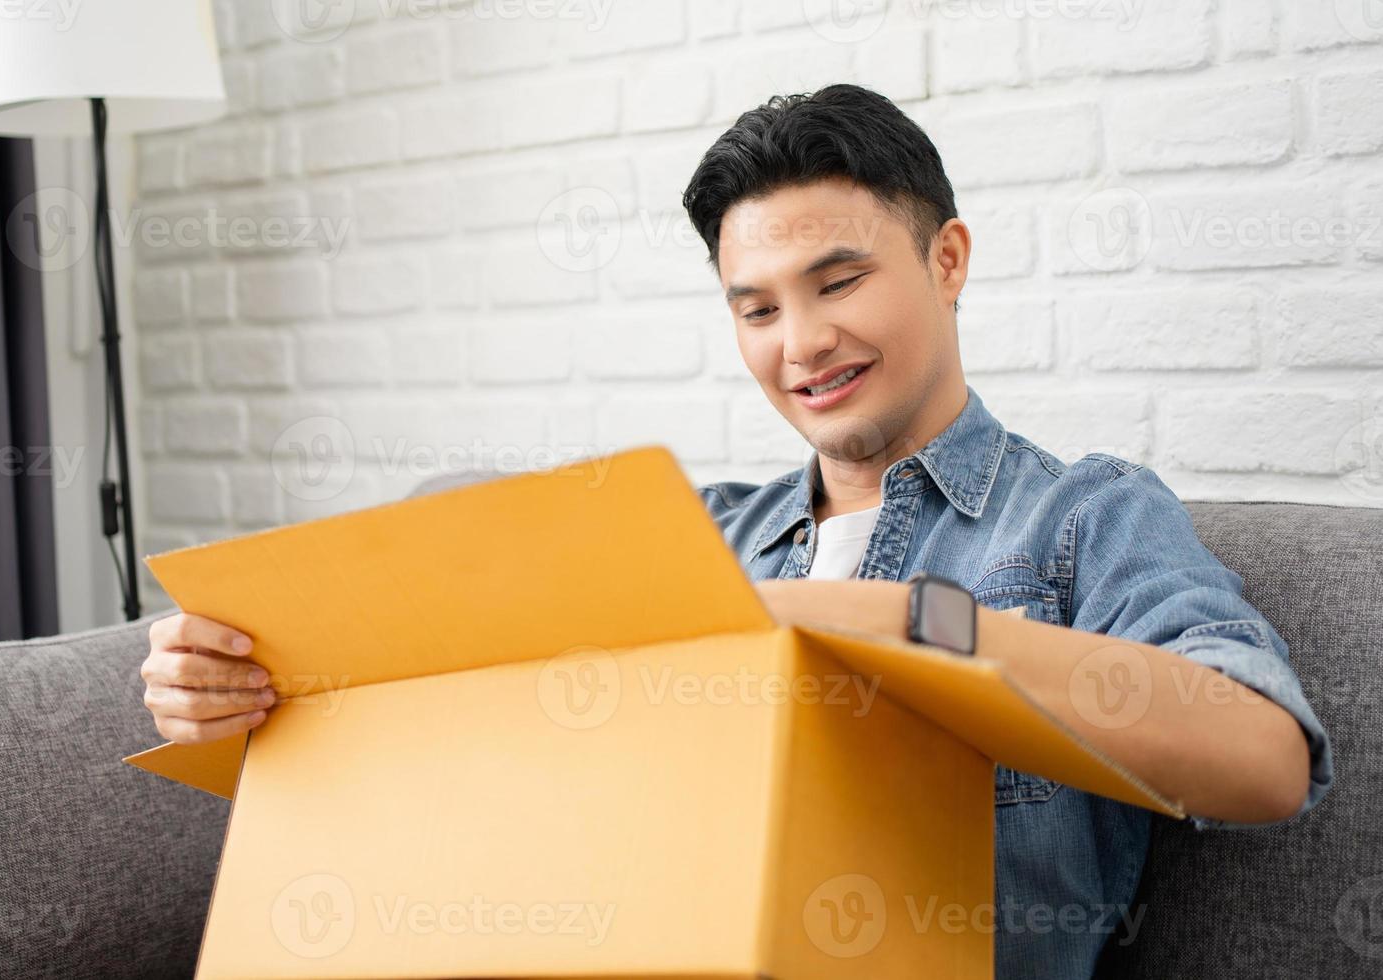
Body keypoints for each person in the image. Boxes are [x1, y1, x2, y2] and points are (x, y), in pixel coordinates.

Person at [141, 83, 1332, 979]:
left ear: (948, 259)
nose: (800, 343)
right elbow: (459, 710)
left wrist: (902, 621)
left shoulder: (1081, 516)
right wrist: (244, 685)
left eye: (839, 281)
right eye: (756, 307)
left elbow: (1266, 757)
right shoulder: (693, 534)